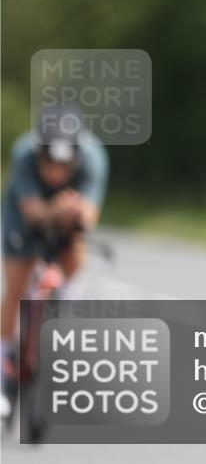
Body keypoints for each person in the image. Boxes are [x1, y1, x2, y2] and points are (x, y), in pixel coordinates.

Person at [1, 105, 109, 419]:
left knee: (76, 250)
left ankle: (66, 301)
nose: (55, 172)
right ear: (39, 153)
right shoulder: (23, 154)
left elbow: (90, 215)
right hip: (24, 219)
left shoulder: (94, 158)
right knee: (17, 283)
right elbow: (32, 211)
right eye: (48, 162)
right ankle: (3, 360)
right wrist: (55, 210)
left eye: (63, 165)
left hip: (67, 219)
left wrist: (73, 214)